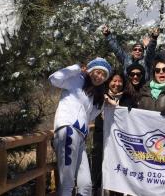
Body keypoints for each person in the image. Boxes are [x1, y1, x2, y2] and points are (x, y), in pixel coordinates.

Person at [49, 57, 112, 196]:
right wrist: (76, 68)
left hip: (81, 137)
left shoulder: (92, 93)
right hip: (68, 130)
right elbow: (54, 79)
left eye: (103, 75)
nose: (100, 76)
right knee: (67, 183)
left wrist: (102, 102)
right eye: (97, 72)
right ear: (90, 70)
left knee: (86, 185)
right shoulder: (76, 79)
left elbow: (90, 116)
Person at [92, 72, 123, 195]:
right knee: (98, 167)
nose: (116, 84)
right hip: (101, 139)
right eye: (114, 81)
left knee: (118, 170)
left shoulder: (126, 98)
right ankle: (96, 190)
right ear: (108, 82)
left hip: (119, 141)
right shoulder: (100, 96)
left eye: (119, 81)